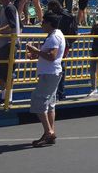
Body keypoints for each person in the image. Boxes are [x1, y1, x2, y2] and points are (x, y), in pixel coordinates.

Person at [25, 13, 66, 147]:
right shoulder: (57, 33)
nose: (42, 25)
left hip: (49, 74)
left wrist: (35, 50)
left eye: (43, 23)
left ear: (49, 24)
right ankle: (49, 131)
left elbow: (52, 56)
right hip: (52, 73)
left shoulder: (54, 36)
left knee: (38, 101)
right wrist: (37, 54)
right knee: (49, 103)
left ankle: (48, 132)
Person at [46, 0, 78, 101]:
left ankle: (58, 92)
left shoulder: (57, 17)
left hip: (60, 42)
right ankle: (60, 93)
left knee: (58, 67)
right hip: (66, 43)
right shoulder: (69, 15)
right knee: (60, 66)